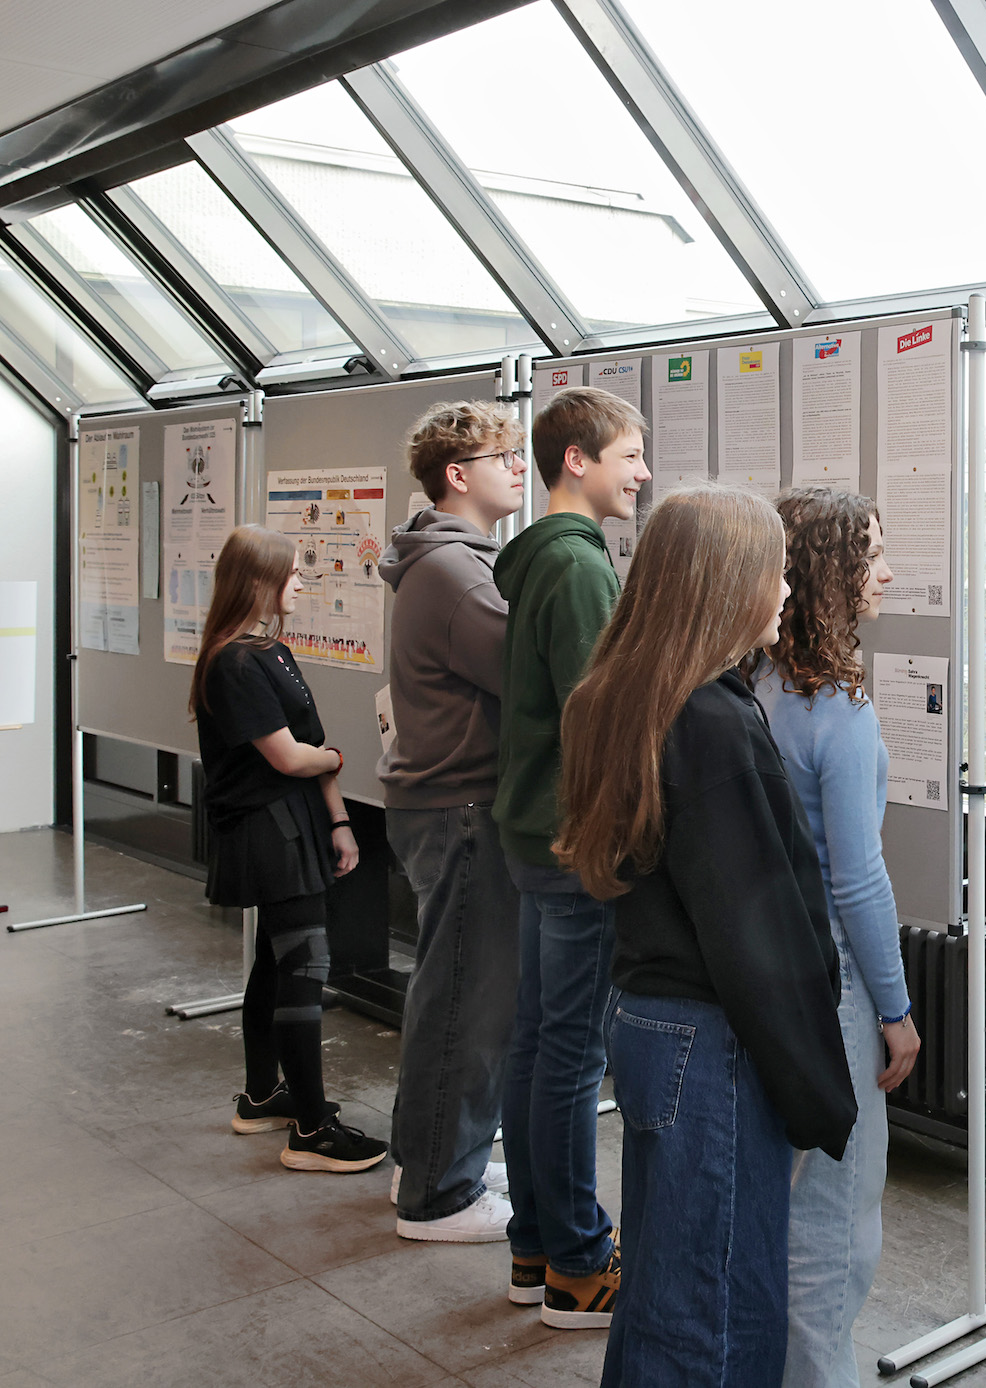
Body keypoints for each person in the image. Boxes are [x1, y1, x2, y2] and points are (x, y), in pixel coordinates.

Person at [554, 483, 856, 1388]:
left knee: (664, 1291)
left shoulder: (622, 697)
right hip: (716, 1042)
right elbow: (756, 935)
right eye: (776, 575)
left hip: (652, 1024)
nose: (787, 595)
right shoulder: (714, 723)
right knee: (717, 1315)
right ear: (727, 585)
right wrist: (813, 1095)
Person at [750, 488, 921, 1387]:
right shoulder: (840, 715)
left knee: (787, 1204)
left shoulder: (756, 688)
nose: (886, 572)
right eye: (871, 556)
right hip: (839, 986)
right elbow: (858, 879)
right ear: (826, 575)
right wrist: (895, 1009)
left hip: (771, 977)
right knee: (836, 1216)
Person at [493, 385, 650, 1327]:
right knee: (570, 1055)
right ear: (577, 461)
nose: (642, 473)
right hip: (571, 840)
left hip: (531, 832)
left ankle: (535, 1243)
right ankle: (578, 1263)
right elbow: (598, 715)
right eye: (630, 455)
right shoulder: (580, 566)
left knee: (540, 1042)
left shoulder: (538, 560)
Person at [378, 400, 530, 1242]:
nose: (517, 464)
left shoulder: (453, 561)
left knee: (452, 993)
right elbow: (529, 670)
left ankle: (431, 1155)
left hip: (445, 804)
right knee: (469, 1004)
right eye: (501, 453)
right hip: (463, 807)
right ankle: (439, 1194)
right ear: (456, 476)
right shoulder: (456, 571)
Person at [192, 525, 387, 1173]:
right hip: (264, 829)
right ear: (258, 582)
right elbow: (290, 755)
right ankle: (309, 1127)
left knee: (275, 965)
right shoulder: (233, 663)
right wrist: (332, 760)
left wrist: (338, 819)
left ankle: (260, 1097)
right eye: (293, 574)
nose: (302, 583)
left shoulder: (268, 650)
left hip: (298, 821)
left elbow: (312, 743)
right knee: (304, 965)